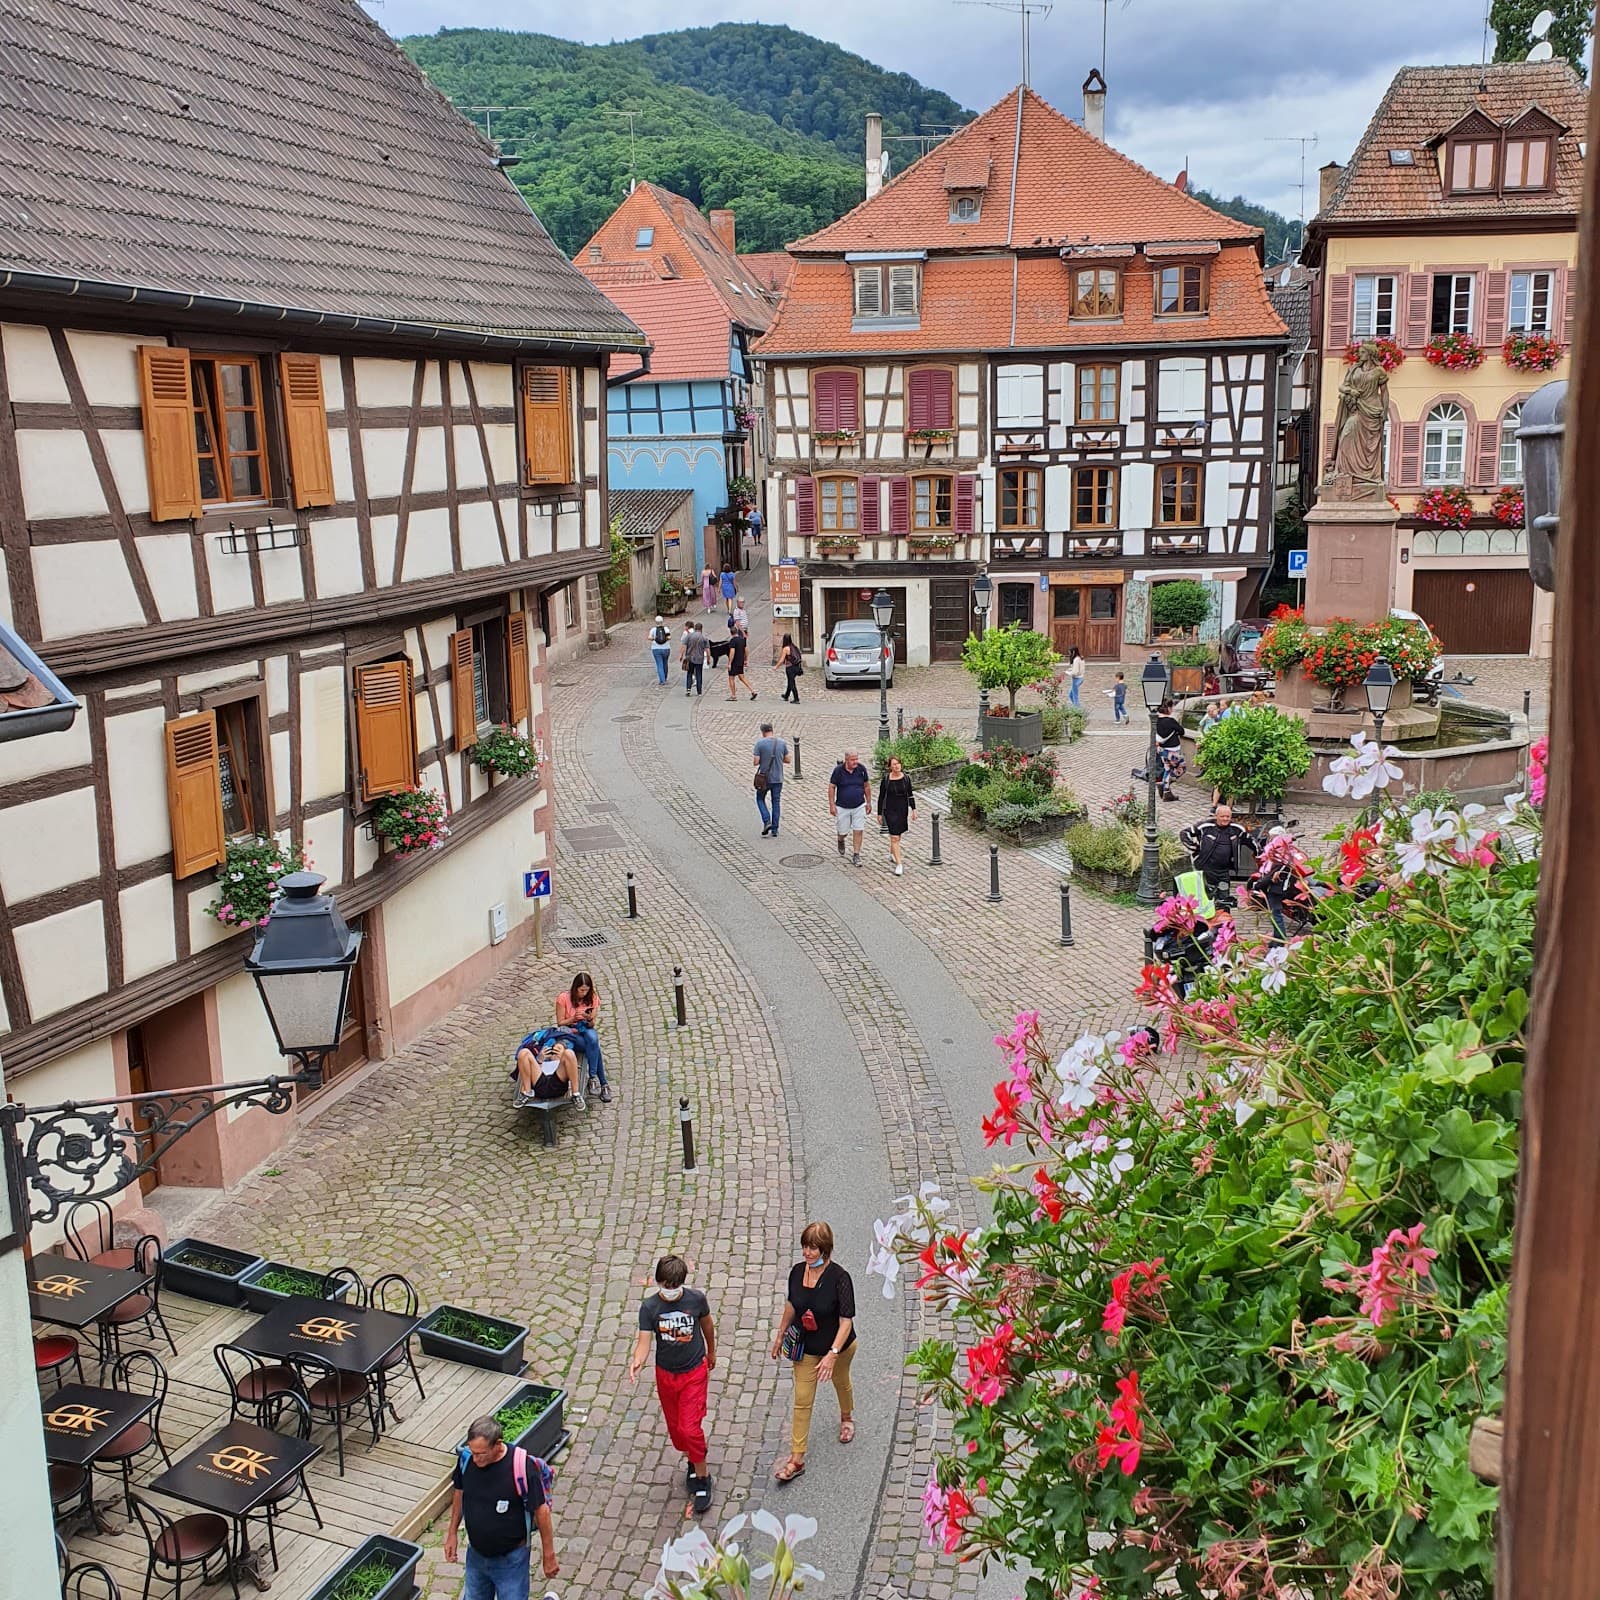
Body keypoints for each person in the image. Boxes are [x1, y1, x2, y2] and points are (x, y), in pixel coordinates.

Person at [768, 1222, 857, 1484]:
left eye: (813, 1248)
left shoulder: (840, 1278)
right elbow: (791, 1305)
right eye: (805, 1246)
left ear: (825, 1249)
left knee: (841, 1382)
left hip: (837, 1347)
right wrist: (781, 1333)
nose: (807, 1252)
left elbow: (846, 1321)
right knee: (802, 1399)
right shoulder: (797, 1273)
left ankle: (846, 1416)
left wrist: (832, 1354)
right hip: (806, 1347)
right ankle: (796, 1459)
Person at [630, 1255, 717, 1516]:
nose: (671, 1290)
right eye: (667, 1285)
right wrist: (637, 1361)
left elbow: (707, 1326)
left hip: (693, 1372)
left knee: (689, 1428)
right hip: (666, 1375)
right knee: (678, 1431)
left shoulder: (696, 1300)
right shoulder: (649, 1308)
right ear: (658, 1282)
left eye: (676, 1285)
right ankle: (694, 1455)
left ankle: (702, 1478)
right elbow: (644, 1341)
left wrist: (712, 1351)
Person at [445, 1414, 558, 1598]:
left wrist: (549, 1555)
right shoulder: (466, 1459)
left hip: (511, 1561)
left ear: (497, 1445)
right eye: (473, 1452)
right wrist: (452, 1533)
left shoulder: (522, 1467)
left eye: (481, 1454)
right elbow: (459, 1492)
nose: (475, 1459)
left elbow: (541, 1511)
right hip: (476, 1556)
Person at [554, 972, 608, 1102]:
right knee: (594, 1047)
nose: (584, 993)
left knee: (593, 1040)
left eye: (586, 990)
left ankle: (593, 1076)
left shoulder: (592, 997)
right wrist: (573, 1018)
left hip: (585, 1028)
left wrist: (589, 1018)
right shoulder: (563, 998)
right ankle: (602, 1083)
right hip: (570, 1032)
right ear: (575, 988)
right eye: (581, 990)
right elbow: (560, 1023)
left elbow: (592, 1023)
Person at [1180, 803, 1248, 905]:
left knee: (1224, 898)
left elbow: (1251, 841)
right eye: (1222, 816)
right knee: (1206, 898)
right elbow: (1184, 833)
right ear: (1216, 816)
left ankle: (1224, 918)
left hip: (1224, 872)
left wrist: (1260, 855)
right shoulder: (1205, 826)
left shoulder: (1236, 829)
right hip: (1206, 869)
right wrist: (1195, 849)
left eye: (1228, 816)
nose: (1225, 819)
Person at [513, 1029, 582, 1104]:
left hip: (558, 1082)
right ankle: (527, 1093)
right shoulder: (542, 1062)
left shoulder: (565, 1062)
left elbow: (573, 1070)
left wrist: (561, 1057)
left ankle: (576, 1095)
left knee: (570, 1053)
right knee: (524, 1052)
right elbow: (529, 1073)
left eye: (559, 1049)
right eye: (553, 1049)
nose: (555, 1050)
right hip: (540, 1082)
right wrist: (540, 1059)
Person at [828, 750, 872, 867]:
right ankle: (841, 839)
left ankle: (856, 854)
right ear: (846, 760)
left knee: (858, 829)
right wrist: (832, 804)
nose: (855, 762)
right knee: (843, 831)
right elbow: (832, 787)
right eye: (853, 760)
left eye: (856, 759)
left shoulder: (861, 769)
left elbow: (866, 786)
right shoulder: (838, 771)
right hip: (842, 806)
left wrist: (869, 802)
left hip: (859, 805)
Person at [876, 755, 916, 876]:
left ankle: (892, 853)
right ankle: (899, 864)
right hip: (890, 810)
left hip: (902, 810)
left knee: (898, 835)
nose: (896, 766)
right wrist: (879, 813)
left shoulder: (906, 778)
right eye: (894, 764)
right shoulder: (886, 779)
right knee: (894, 837)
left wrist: (914, 809)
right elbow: (881, 797)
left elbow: (910, 794)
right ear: (890, 767)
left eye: (898, 763)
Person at [754, 722, 790, 838]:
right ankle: (775, 829)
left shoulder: (760, 744)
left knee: (760, 799)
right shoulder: (781, 743)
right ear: (772, 730)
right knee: (776, 802)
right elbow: (788, 760)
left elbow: (755, 761)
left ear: (763, 732)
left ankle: (766, 820)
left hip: (764, 779)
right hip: (778, 778)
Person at [1154, 700, 1184, 801]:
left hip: (1162, 750)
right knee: (1182, 768)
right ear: (1169, 709)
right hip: (1172, 751)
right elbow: (1182, 731)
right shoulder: (1171, 721)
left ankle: (1166, 791)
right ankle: (1165, 785)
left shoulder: (1156, 720)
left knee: (1167, 769)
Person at [726, 627, 755, 701]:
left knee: (731, 678)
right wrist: (745, 659)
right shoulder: (742, 640)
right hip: (740, 661)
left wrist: (729, 663)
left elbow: (732, 652)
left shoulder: (732, 641)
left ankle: (733, 695)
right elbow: (746, 650)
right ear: (737, 632)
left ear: (731, 633)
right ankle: (752, 691)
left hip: (734, 662)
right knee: (742, 677)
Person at [682, 623, 707, 697]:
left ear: (695, 628)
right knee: (699, 674)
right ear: (701, 628)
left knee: (689, 673)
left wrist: (681, 655)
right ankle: (699, 691)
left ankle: (688, 689)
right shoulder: (703, 637)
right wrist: (708, 658)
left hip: (690, 658)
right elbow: (707, 649)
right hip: (700, 658)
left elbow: (684, 645)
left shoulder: (689, 636)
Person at [779, 633, 804, 703]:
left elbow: (782, 660)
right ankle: (786, 695)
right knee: (790, 681)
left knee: (792, 683)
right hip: (796, 667)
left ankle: (796, 699)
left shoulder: (786, 648)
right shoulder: (793, 646)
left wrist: (776, 666)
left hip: (790, 668)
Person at [648, 616, 672, 685]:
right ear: (662, 621)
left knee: (659, 664)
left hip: (656, 649)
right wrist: (665, 639)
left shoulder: (653, 630)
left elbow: (649, 637)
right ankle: (665, 677)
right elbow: (669, 637)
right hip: (666, 648)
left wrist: (654, 638)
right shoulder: (666, 629)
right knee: (665, 663)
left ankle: (662, 680)